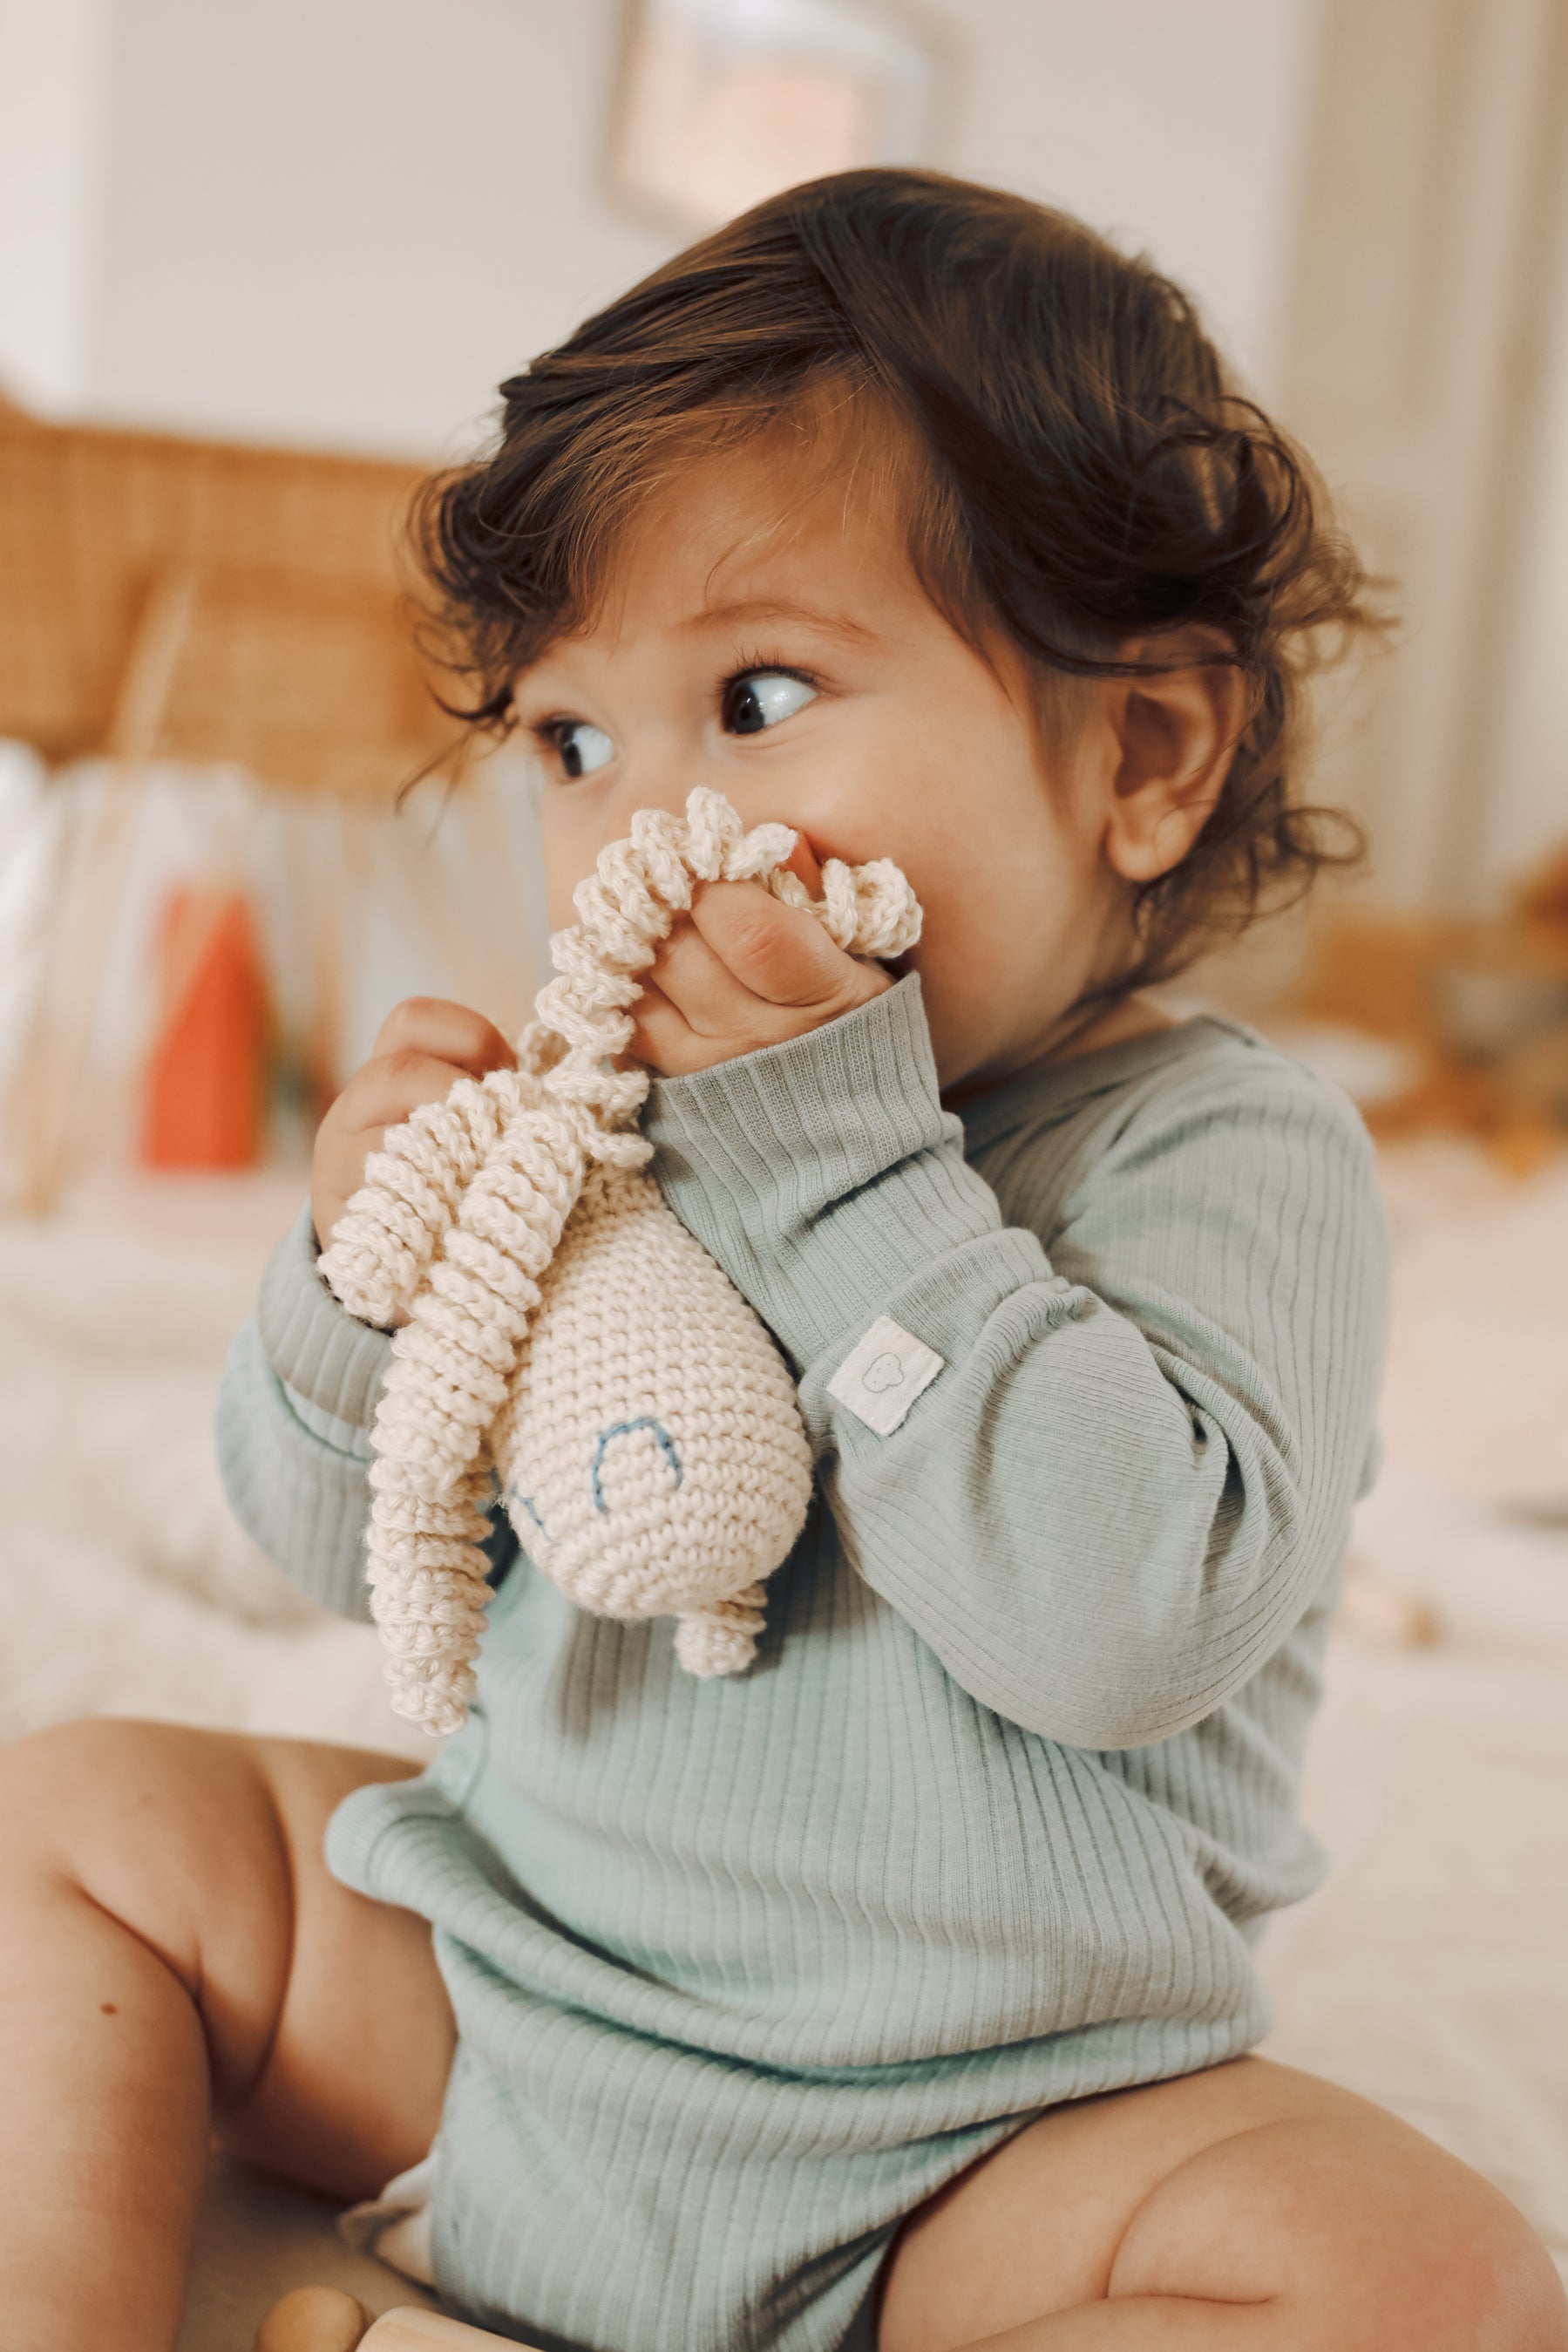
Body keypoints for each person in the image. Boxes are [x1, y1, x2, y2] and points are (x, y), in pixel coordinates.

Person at [3, 170, 1564, 2352]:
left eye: (754, 696)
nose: (643, 830)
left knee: (1437, 2280)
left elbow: (1119, 1625)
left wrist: (838, 1169)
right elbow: (338, 1544)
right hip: (506, 1991)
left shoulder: (1232, 1155)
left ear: (1144, 751)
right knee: (70, 1815)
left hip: (977, 2146)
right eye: (570, 740)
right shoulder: (596, 1132)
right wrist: (363, 1282)